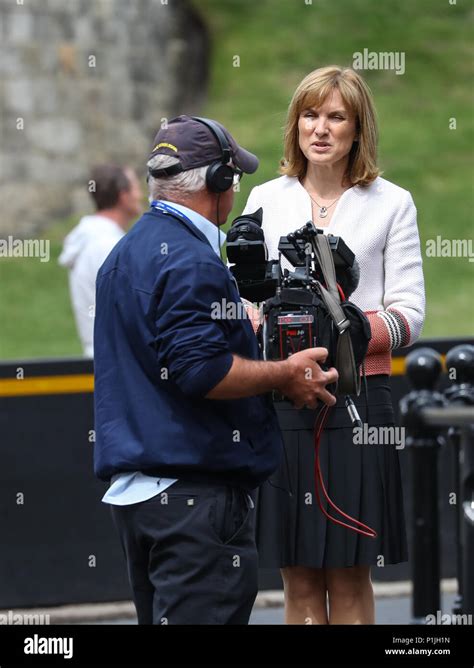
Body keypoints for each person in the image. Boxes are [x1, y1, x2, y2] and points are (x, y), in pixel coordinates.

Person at [93, 115, 338, 625]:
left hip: (141, 500)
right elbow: (201, 371)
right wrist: (284, 373)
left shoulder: (122, 255)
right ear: (218, 182)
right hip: (194, 503)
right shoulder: (191, 260)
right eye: (235, 176)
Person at [241, 66, 425, 625]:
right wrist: (283, 351)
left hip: (359, 402)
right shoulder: (265, 200)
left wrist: (347, 332)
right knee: (297, 578)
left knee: (349, 576)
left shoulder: (391, 203)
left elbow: (409, 315)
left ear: (357, 128)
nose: (320, 129)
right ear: (295, 124)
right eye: (309, 114)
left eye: (336, 116)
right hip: (284, 401)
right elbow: (245, 303)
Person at [58, 164, 143, 357]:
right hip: (116, 359)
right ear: (123, 195)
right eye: (136, 188)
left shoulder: (95, 240)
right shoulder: (108, 246)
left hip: (103, 355)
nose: (140, 195)